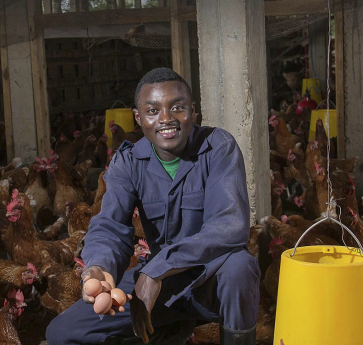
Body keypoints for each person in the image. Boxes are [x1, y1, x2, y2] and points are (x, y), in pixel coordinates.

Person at [46, 67, 260, 345]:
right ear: (138, 118)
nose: (167, 119)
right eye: (153, 111)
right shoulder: (129, 161)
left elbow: (230, 226)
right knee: (62, 333)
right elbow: (109, 226)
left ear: (193, 112)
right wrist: (99, 268)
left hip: (210, 279)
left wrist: (156, 270)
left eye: (177, 108)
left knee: (239, 266)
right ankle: (167, 333)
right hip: (162, 283)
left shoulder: (218, 147)